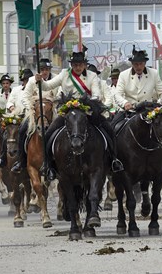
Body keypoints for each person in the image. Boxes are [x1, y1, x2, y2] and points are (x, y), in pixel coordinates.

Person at [34, 51, 121, 180]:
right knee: (48, 134)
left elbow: (96, 94)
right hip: (68, 112)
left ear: (84, 65)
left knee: (109, 130)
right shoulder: (64, 74)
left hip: (87, 111)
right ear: (72, 65)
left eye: (80, 64)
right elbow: (48, 86)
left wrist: (84, 103)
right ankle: (48, 166)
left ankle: (114, 159)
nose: (78, 67)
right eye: (75, 65)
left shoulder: (92, 76)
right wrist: (40, 81)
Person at [11, 59, 58, 173]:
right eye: (42, 69)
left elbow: (60, 94)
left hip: (51, 110)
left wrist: (53, 106)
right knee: (22, 129)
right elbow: (25, 97)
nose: (44, 72)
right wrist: (31, 108)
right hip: (34, 111)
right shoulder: (32, 80)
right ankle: (21, 161)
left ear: (49, 70)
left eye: (46, 69)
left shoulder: (56, 79)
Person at [0, 69, 33, 170]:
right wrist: (11, 107)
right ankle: (3, 158)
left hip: (30, 118)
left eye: (29, 80)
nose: (27, 82)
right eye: (25, 80)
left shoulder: (36, 89)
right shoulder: (16, 90)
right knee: (4, 135)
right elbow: (9, 102)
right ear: (23, 81)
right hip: (15, 118)